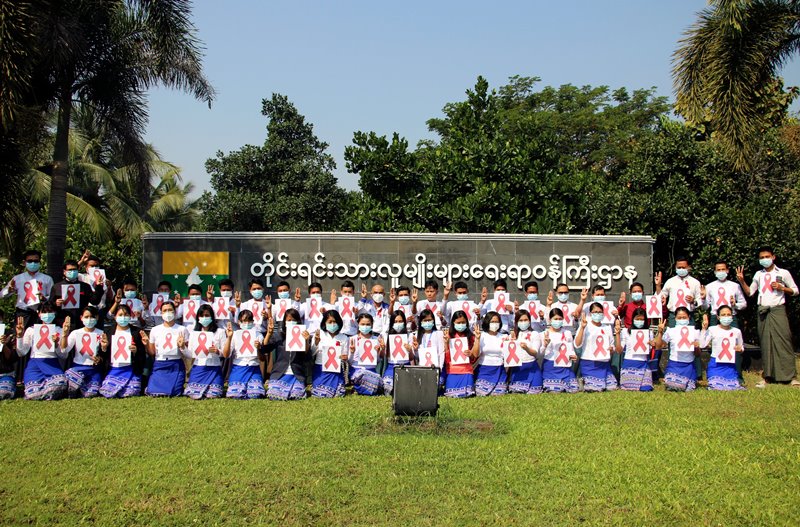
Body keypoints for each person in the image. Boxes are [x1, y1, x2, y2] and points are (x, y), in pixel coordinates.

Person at [736, 246, 799, 387]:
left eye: (767, 257)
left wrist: (782, 288)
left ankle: (790, 376)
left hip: (777, 309)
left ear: (773, 257)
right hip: (763, 310)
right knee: (766, 343)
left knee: (784, 341)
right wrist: (742, 281)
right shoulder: (758, 274)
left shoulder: (783, 273)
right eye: (762, 257)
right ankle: (768, 376)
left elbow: (795, 290)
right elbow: (750, 292)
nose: (765, 260)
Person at [15, 302, 66, 399]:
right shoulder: (31, 330)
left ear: (55, 313)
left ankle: (45, 392)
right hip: (34, 364)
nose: (47, 315)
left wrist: (56, 344)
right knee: (32, 393)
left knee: (59, 384)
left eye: (50, 312)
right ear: (39, 313)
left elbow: (63, 355)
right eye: (44, 312)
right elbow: (21, 352)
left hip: (52, 364)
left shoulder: (59, 330)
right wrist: (19, 336)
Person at [182, 304, 228, 400]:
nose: (204, 318)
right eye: (202, 315)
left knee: (214, 394)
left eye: (207, 315)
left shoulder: (220, 332)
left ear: (212, 316)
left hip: (214, 368)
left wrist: (217, 351)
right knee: (192, 393)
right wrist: (182, 347)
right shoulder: (194, 334)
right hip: (198, 367)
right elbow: (190, 355)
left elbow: (225, 353)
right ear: (198, 317)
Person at [99, 304, 146, 398]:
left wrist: (136, 351)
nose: (123, 317)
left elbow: (142, 354)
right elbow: (102, 355)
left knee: (132, 392)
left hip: (131, 369)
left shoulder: (136, 332)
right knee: (107, 392)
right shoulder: (108, 332)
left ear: (130, 316)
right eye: (120, 315)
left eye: (126, 315)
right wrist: (104, 347)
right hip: (113, 368)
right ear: (115, 316)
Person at [146, 300, 190, 397]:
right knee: (153, 392)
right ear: (161, 313)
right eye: (165, 310)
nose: (167, 313)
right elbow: (152, 352)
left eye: (170, 310)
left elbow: (189, 355)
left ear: (175, 312)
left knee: (175, 392)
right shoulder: (155, 330)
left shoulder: (182, 329)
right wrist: (146, 344)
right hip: (159, 364)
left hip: (175, 364)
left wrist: (182, 347)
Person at [1, 250, 54, 328]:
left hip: (39, 313)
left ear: (40, 262)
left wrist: (44, 298)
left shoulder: (47, 279)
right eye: (30, 261)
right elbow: (2, 295)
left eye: (36, 261)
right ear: (24, 262)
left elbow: (52, 297)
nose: (33, 263)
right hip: (22, 313)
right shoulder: (17, 279)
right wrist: (9, 290)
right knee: (20, 337)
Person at [654, 307, 702, 392]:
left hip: (689, 366)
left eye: (684, 317)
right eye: (679, 318)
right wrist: (660, 332)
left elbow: (698, 354)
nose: (682, 319)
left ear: (689, 318)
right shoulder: (670, 331)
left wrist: (696, 347)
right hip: (674, 365)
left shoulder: (694, 332)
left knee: (689, 389)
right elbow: (659, 346)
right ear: (675, 318)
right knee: (672, 387)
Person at [265, 308, 309, 401]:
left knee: (297, 395)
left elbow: (306, 353)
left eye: (294, 320)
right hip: (279, 372)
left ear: (298, 321)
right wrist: (269, 334)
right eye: (289, 320)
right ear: (284, 322)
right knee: (274, 395)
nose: (291, 322)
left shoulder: (303, 335)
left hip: (296, 373)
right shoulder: (279, 335)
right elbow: (265, 349)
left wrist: (306, 341)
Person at [574, 303, 620, 392]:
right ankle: (582, 380)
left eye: (600, 312)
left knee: (612, 387)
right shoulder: (585, 326)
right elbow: (577, 344)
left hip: (604, 364)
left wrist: (611, 349)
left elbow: (612, 346)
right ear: (590, 313)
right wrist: (582, 328)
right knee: (595, 388)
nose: (597, 314)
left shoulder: (607, 328)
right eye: (595, 312)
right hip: (589, 363)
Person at [62, 306, 105, 397]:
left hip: (93, 369)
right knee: (69, 383)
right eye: (86, 317)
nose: (89, 319)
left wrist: (99, 358)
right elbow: (64, 350)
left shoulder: (101, 333)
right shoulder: (75, 333)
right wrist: (65, 335)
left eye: (92, 317)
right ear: (81, 318)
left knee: (91, 393)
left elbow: (104, 353)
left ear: (97, 318)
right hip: (78, 367)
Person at [223, 309, 267, 399]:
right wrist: (229, 338)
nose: (247, 323)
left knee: (255, 394)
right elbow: (226, 355)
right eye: (244, 321)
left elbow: (262, 359)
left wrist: (259, 348)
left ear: (253, 322)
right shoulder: (234, 335)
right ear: (239, 322)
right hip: (238, 367)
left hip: (253, 367)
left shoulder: (258, 335)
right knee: (235, 395)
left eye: (249, 321)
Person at [701, 306, 745, 391]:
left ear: (732, 316)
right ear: (718, 317)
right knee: (715, 386)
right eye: (723, 315)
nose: (726, 317)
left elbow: (741, 347)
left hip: (730, 365)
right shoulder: (712, 329)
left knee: (732, 387)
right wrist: (704, 329)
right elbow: (702, 345)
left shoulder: (736, 331)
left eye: (728, 315)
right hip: (716, 364)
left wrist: (740, 349)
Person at [51, 259, 103, 327]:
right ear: (64, 272)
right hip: (63, 321)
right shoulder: (57, 287)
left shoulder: (85, 286)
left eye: (74, 269)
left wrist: (98, 287)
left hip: (80, 322)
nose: (72, 272)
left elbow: (95, 301)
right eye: (70, 270)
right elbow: (50, 304)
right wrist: (56, 303)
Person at [310, 310, 348, 398]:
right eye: (330, 322)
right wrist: (316, 342)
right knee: (319, 393)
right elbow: (312, 353)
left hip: (336, 370)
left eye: (335, 322)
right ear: (325, 323)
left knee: (339, 393)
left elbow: (345, 356)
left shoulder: (344, 337)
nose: (332, 324)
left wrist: (344, 357)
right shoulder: (319, 335)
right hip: (321, 369)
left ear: (339, 323)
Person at [442, 310, 479, 398]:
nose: (461, 325)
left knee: (467, 395)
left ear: (466, 323)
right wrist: (446, 343)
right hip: (452, 371)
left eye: (463, 322)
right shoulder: (449, 336)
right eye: (458, 322)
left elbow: (475, 356)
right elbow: (447, 359)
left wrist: (477, 341)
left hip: (466, 371)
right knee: (451, 395)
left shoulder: (471, 337)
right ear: (453, 323)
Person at [541, 308, 579, 393]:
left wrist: (574, 357)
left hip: (564, 366)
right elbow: (540, 354)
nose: (558, 321)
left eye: (560, 319)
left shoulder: (567, 333)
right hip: (550, 366)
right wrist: (545, 344)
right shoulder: (544, 334)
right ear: (550, 320)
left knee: (574, 389)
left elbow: (571, 350)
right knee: (554, 390)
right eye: (555, 319)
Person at [617, 308, 654, 391]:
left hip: (643, 364)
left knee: (646, 388)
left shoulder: (649, 333)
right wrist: (618, 335)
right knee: (628, 387)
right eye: (637, 319)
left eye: (642, 319)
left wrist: (652, 345)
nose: (639, 321)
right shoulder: (625, 331)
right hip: (629, 363)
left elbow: (650, 351)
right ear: (633, 319)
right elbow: (619, 350)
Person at [507, 310, 543, 394]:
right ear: (516, 322)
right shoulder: (513, 335)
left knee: (535, 391)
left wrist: (526, 348)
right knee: (515, 392)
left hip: (531, 367)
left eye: (526, 320)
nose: (523, 322)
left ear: (529, 321)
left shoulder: (534, 334)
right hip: (518, 368)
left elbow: (535, 352)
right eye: (521, 320)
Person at [348, 313, 385, 395]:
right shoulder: (352, 339)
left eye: (368, 324)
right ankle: (363, 388)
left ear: (372, 325)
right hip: (356, 370)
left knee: (376, 380)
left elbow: (378, 361)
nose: (365, 326)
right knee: (362, 375)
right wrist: (352, 352)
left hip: (371, 370)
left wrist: (380, 350)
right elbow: (349, 362)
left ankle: (358, 389)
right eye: (363, 324)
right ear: (358, 324)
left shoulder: (376, 339)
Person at [474, 311, 508, 396]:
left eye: (497, 322)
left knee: (499, 393)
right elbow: (476, 354)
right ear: (487, 322)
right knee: (480, 392)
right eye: (492, 322)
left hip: (499, 369)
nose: (495, 324)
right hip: (484, 369)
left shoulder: (504, 337)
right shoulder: (481, 336)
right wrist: (477, 339)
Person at [382, 310, 414, 395]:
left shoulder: (409, 336)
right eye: (395, 321)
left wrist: (410, 350)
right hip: (391, 366)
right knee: (387, 387)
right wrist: (382, 348)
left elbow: (411, 358)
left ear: (404, 322)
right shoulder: (386, 336)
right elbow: (383, 356)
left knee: (406, 389)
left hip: (405, 365)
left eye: (400, 321)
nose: (398, 323)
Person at [413, 309, 446, 388]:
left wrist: (440, 368)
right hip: (423, 368)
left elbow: (441, 352)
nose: (427, 322)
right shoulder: (417, 335)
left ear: (433, 321)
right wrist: (416, 349)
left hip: (436, 368)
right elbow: (417, 357)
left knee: (434, 386)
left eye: (429, 320)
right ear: (421, 322)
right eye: (425, 320)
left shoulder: (439, 334)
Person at [0, 314, 17, 399]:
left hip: (5, 374)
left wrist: (3, 345)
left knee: (4, 392)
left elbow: (12, 358)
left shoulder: (9, 334)